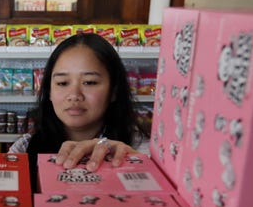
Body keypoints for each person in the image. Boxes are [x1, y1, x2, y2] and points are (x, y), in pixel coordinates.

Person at [8, 33, 149, 191]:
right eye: (62, 83)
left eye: (89, 82)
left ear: (114, 91)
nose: (74, 95)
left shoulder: (141, 150)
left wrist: (139, 166)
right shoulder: (23, 149)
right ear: (49, 92)